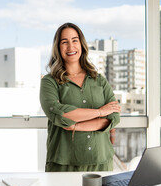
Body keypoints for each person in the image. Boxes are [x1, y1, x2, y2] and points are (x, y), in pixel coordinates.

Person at [40, 22, 121, 172]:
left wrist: (77, 126)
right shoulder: (49, 82)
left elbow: (114, 116)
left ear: (82, 45)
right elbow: (59, 113)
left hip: (101, 162)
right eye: (64, 42)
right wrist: (100, 112)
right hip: (64, 164)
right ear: (58, 47)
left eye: (74, 40)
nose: (70, 47)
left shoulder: (99, 80)